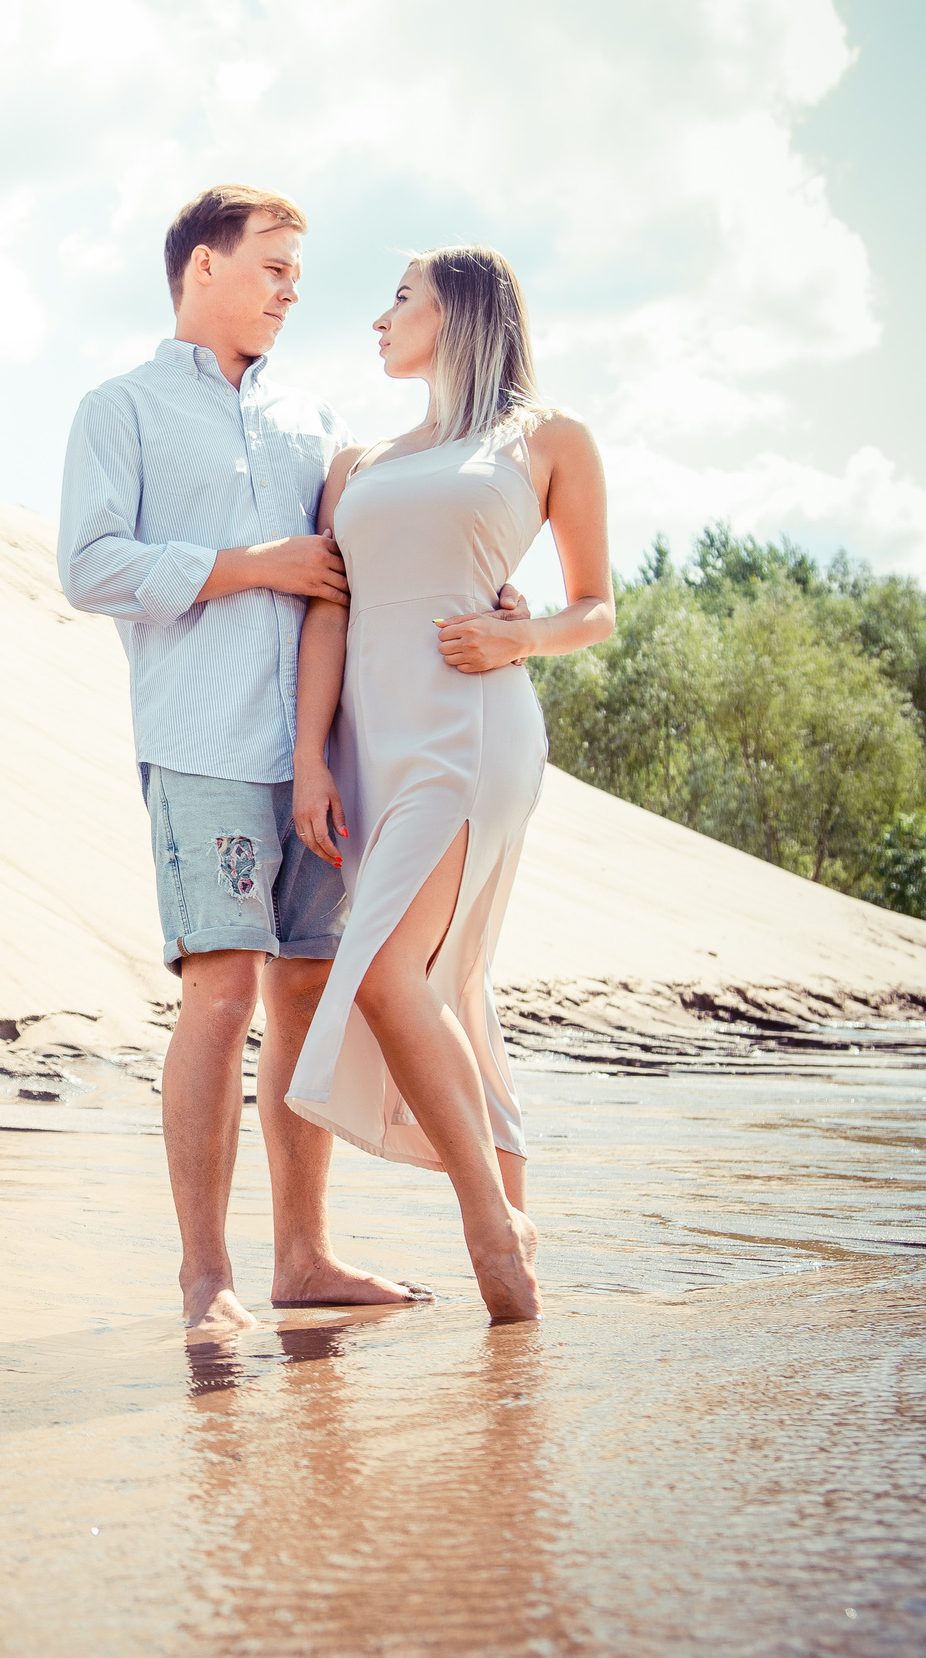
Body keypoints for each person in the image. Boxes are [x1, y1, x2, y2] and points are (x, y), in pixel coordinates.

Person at [58, 188, 526, 1333]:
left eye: (297, 273)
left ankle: (304, 1258)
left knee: (310, 996)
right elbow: (88, 566)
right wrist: (248, 565)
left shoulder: (313, 424)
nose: (290, 290)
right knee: (220, 999)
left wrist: (500, 603)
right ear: (202, 268)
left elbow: (365, 570)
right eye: (271, 266)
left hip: (325, 759)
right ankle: (205, 1276)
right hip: (204, 745)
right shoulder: (119, 409)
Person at [284, 245, 617, 1324]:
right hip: (373, 746)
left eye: (399, 299)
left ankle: (490, 1225)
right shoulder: (355, 462)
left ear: (461, 310)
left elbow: (595, 608)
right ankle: (517, 1308)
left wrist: (523, 642)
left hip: (474, 727)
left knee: (386, 977)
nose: (377, 320)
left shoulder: (548, 439)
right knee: (450, 985)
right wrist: (307, 759)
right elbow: (329, 611)